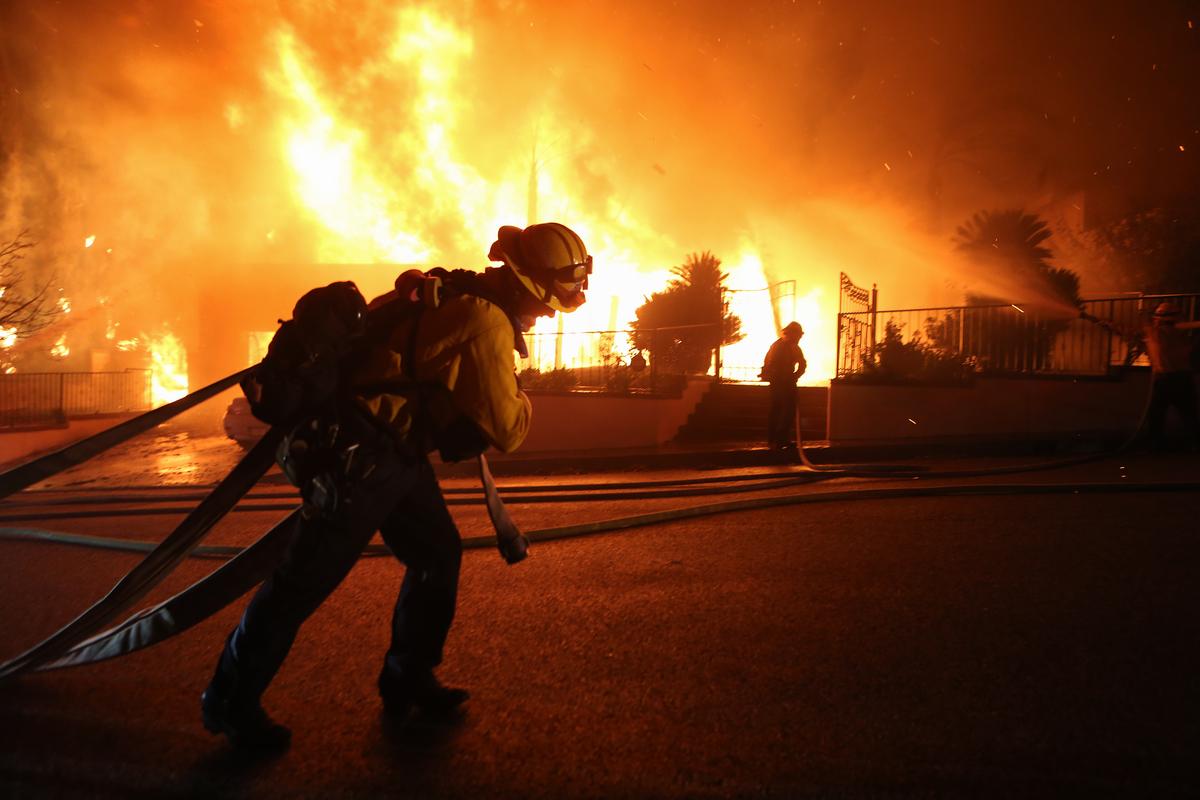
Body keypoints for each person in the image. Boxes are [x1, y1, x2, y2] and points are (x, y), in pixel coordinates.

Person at [201, 222, 593, 749]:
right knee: (300, 585)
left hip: (393, 454)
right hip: (361, 460)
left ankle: (408, 678)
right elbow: (509, 430)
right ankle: (230, 702)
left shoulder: (459, 291)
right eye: (548, 303)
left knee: (437, 554)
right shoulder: (487, 323)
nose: (547, 314)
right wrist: (520, 396)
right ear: (528, 285)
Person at [760, 321, 807, 455]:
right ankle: (780, 440)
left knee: (777, 409)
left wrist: (794, 376)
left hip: (779, 382)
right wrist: (793, 376)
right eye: (798, 335)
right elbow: (801, 364)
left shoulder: (778, 345)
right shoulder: (788, 346)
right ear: (792, 334)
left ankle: (774, 439)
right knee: (787, 410)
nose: (799, 338)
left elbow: (802, 364)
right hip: (783, 383)